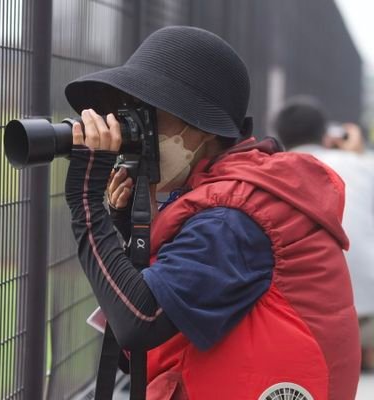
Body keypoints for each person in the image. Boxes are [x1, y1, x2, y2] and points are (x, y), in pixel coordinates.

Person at [64, 27, 360, 399]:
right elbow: (138, 347)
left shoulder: (233, 217)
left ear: (201, 126)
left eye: (148, 114)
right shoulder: (232, 192)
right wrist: (126, 226)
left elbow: (140, 322)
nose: (136, 131)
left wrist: (84, 202)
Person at [274, 95, 374, 372]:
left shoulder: (272, 168)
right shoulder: (362, 165)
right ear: (325, 133)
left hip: (306, 321)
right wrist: (360, 155)